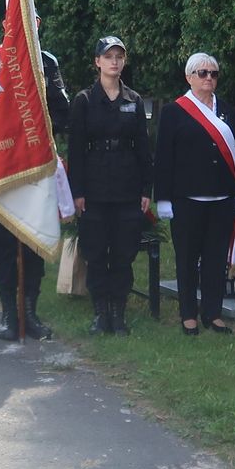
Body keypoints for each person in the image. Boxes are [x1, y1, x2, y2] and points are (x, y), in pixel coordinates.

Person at [0, 30, 70, 339]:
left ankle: (30, 312)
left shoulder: (46, 63)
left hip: (37, 166)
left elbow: (63, 112)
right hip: (3, 167)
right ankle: (8, 315)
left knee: (34, 241)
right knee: (4, 246)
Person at [155, 52, 235, 336]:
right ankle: (188, 314)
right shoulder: (174, 111)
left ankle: (213, 312)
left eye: (213, 73)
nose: (208, 78)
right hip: (187, 200)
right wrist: (163, 197)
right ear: (189, 77)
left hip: (222, 198)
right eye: (202, 73)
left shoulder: (226, 110)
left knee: (215, 258)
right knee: (186, 258)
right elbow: (163, 157)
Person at [67, 35, 152, 335]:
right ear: (97, 62)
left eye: (119, 56)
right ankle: (100, 312)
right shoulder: (85, 100)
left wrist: (146, 190)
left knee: (123, 252)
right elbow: (75, 150)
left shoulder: (134, 100)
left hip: (127, 187)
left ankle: (118, 312)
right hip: (94, 187)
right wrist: (76, 192)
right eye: (109, 56)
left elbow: (143, 147)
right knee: (95, 251)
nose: (115, 61)